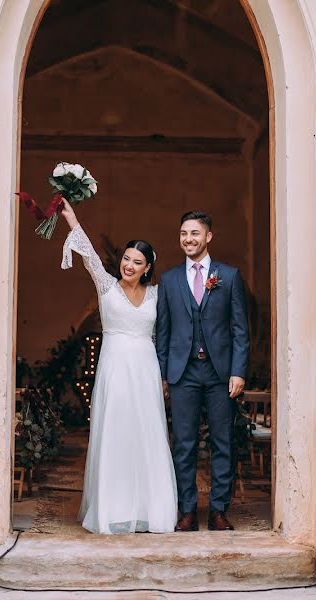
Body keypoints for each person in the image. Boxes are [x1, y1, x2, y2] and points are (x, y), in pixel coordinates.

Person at [59, 199, 177, 534]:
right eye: (126, 258)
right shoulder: (106, 286)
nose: (128, 264)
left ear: (147, 268)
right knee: (115, 433)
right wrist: (73, 221)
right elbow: (91, 258)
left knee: (147, 434)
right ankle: (112, 509)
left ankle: (149, 510)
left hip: (145, 369)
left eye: (136, 261)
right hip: (114, 370)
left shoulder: (157, 296)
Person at [156, 211, 249, 532]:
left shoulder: (230, 276)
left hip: (220, 372)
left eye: (194, 233)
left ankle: (219, 511)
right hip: (182, 373)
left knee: (223, 442)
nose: (188, 239)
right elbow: (164, 332)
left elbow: (240, 329)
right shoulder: (168, 280)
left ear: (208, 236)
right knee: (184, 444)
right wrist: (162, 374)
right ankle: (187, 511)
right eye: (183, 233)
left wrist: (238, 371)